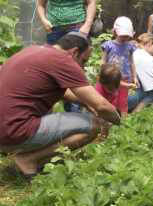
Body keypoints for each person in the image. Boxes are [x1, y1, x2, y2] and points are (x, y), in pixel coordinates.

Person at [0, 32, 121, 177]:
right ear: (74, 52)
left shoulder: (33, 51)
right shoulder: (63, 60)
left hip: (5, 130)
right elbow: (102, 106)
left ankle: (28, 152)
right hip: (14, 132)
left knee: (47, 108)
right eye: (83, 61)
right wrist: (119, 122)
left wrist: (85, 102)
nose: (82, 67)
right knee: (94, 125)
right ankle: (29, 159)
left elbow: (60, 92)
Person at [101, 16, 137, 118]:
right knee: (110, 99)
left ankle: (124, 121)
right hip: (111, 77)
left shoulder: (130, 46)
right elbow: (103, 60)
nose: (125, 38)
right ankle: (110, 119)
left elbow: (131, 62)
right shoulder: (108, 45)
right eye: (123, 35)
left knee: (123, 101)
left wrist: (134, 76)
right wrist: (103, 72)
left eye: (127, 36)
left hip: (125, 77)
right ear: (115, 32)